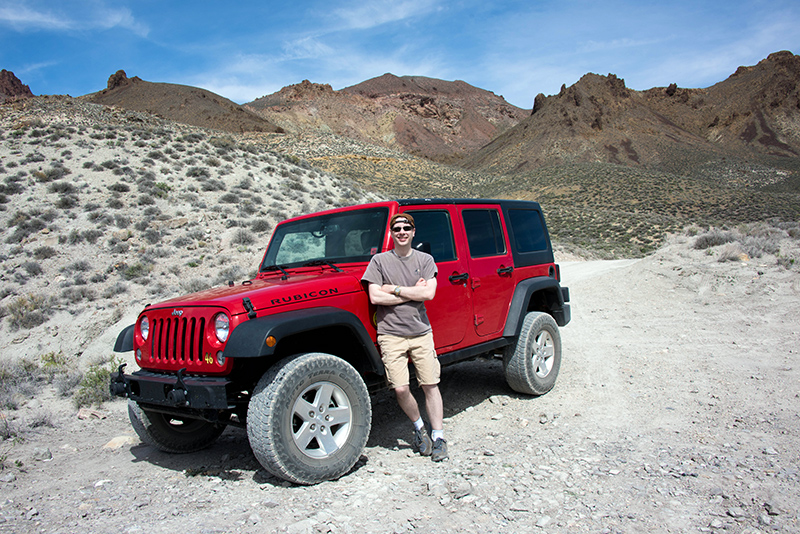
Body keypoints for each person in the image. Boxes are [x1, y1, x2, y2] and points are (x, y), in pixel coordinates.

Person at [361, 212, 448, 462]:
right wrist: (414, 292)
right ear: (391, 232)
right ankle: (420, 428)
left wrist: (395, 289)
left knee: (430, 384)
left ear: (413, 231)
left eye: (406, 228)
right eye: (397, 228)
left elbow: (430, 294)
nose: (401, 232)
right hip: (390, 334)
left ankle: (439, 437)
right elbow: (375, 297)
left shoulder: (426, 259)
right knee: (400, 388)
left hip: (421, 332)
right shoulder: (379, 261)